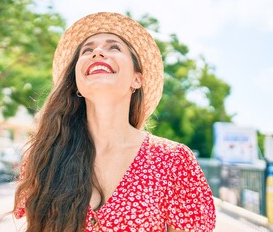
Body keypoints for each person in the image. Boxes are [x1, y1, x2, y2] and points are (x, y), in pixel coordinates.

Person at [13, 12, 216, 232]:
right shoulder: (44, 156)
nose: (97, 52)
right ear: (77, 83)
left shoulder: (174, 161)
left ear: (137, 79)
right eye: (87, 50)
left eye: (114, 47)